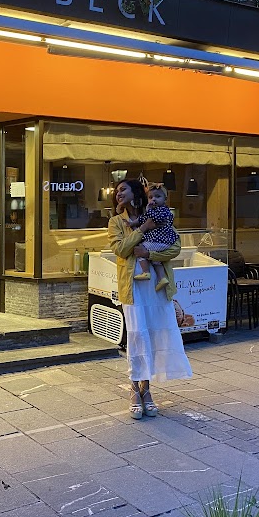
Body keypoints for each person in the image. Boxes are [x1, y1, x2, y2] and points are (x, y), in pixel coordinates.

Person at [108, 179, 192, 420]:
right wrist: (143, 229)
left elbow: (174, 247)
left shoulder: (156, 213)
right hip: (133, 288)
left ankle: (147, 390)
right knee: (137, 337)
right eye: (116, 191)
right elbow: (121, 249)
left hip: (157, 286)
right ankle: (135, 389)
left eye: (122, 189)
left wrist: (149, 253)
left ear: (135, 192)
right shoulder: (116, 222)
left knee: (154, 336)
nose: (118, 193)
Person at [130, 184, 179, 293]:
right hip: (161, 241)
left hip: (161, 240)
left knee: (140, 249)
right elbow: (142, 219)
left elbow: (153, 218)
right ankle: (162, 278)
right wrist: (132, 223)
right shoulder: (155, 211)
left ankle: (146, 271)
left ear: (165, 199)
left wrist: (148, 210)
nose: (153, 199)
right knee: (156, 260)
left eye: (157, 196)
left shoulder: (163, 211)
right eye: (150, 197)